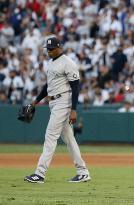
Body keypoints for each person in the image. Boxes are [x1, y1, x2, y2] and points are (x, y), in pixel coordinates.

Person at [24, 36, 91, 183]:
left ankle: (40, 173)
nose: (49, 51)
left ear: (59, 47)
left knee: (50, 136)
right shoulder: (51, 63)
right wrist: (35, 102)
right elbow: (47, 87)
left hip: (63, 102)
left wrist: (74, 109)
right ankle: (83, 172)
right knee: (68, 139)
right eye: (47, 49)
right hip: (54, 102)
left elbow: (75, 87)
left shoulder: (68, 63)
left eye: (51, 49)